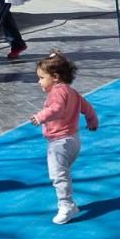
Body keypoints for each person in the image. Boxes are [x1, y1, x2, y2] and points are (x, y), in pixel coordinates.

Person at [30, 52, 99, 225]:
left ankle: (66, 205)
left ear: (55, 77)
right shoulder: (72, 92)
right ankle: (71, 205)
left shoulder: (57, 92)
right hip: (74, 140)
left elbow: (57, 109)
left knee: (58, 175)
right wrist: (92, 121)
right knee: (62, 173)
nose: (39, 82)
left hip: (60, 143)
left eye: (41, 77)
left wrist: (40, 116)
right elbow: (87, 107)